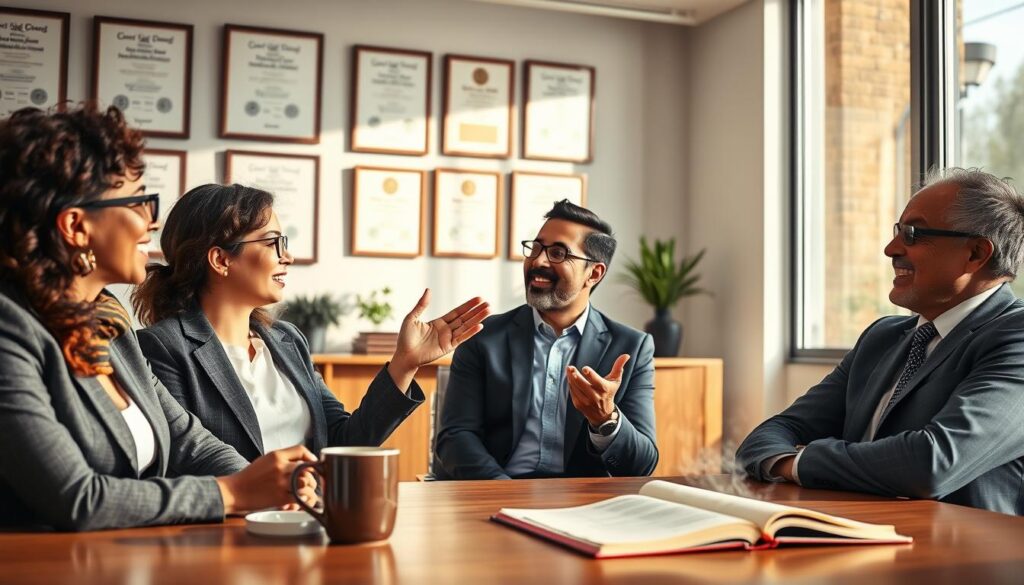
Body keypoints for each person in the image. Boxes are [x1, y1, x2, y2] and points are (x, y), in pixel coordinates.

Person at [0, 104, 315, 531]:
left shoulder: (110, 327)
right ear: (76, 226)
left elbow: (189, 440)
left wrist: (270, 487)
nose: (152, 222)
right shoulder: (10, 331)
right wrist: (234, 493)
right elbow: (77, 497)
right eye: (139, 202)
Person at [736, 168, 1024, 515]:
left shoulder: (1015, 336)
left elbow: (931, 463)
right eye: (896, 232)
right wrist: (790, 458)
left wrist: (799, 462)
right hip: (857, 538)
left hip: (960, 560)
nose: (891, 249)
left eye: (913, 234)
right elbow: (769, 436)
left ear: (976, 254)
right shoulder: (881, 337)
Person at [133, 183, 490, 461]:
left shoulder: (287, 340)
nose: (287, 256)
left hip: (310, 522)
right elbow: (186, 458)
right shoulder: (163, 347)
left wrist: (404, 364)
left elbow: (345, 441)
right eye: (273, 242)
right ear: (220, 259)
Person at [435, 199, 658, 480]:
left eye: (557, 253)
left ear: (594, 273)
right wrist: (504, 493)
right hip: (497, 491)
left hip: (583, 505)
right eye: (536, 248)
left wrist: (605, 419)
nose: (538, 261)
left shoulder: (631, 348)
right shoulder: (482, 336)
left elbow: (641, 466)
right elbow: (455, 438)